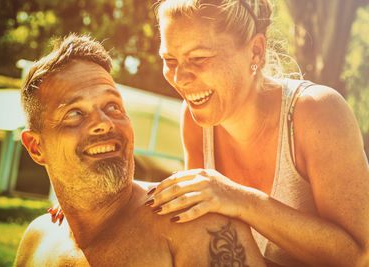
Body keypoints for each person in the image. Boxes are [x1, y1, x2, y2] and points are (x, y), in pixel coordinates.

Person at [144, 0, 369, 266]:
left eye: (199, 58)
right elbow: (202, 236)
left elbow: (360, 255)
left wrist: (241, 200)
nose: (180, 78)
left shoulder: (316, 112)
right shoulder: (195, 121)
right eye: (169, 60)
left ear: (255, 51)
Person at [14, 34, 265, 266]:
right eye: (74, 113)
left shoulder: (201, 227)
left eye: (112, 106)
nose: (103, 122)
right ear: (36, 147)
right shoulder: (37, 241)